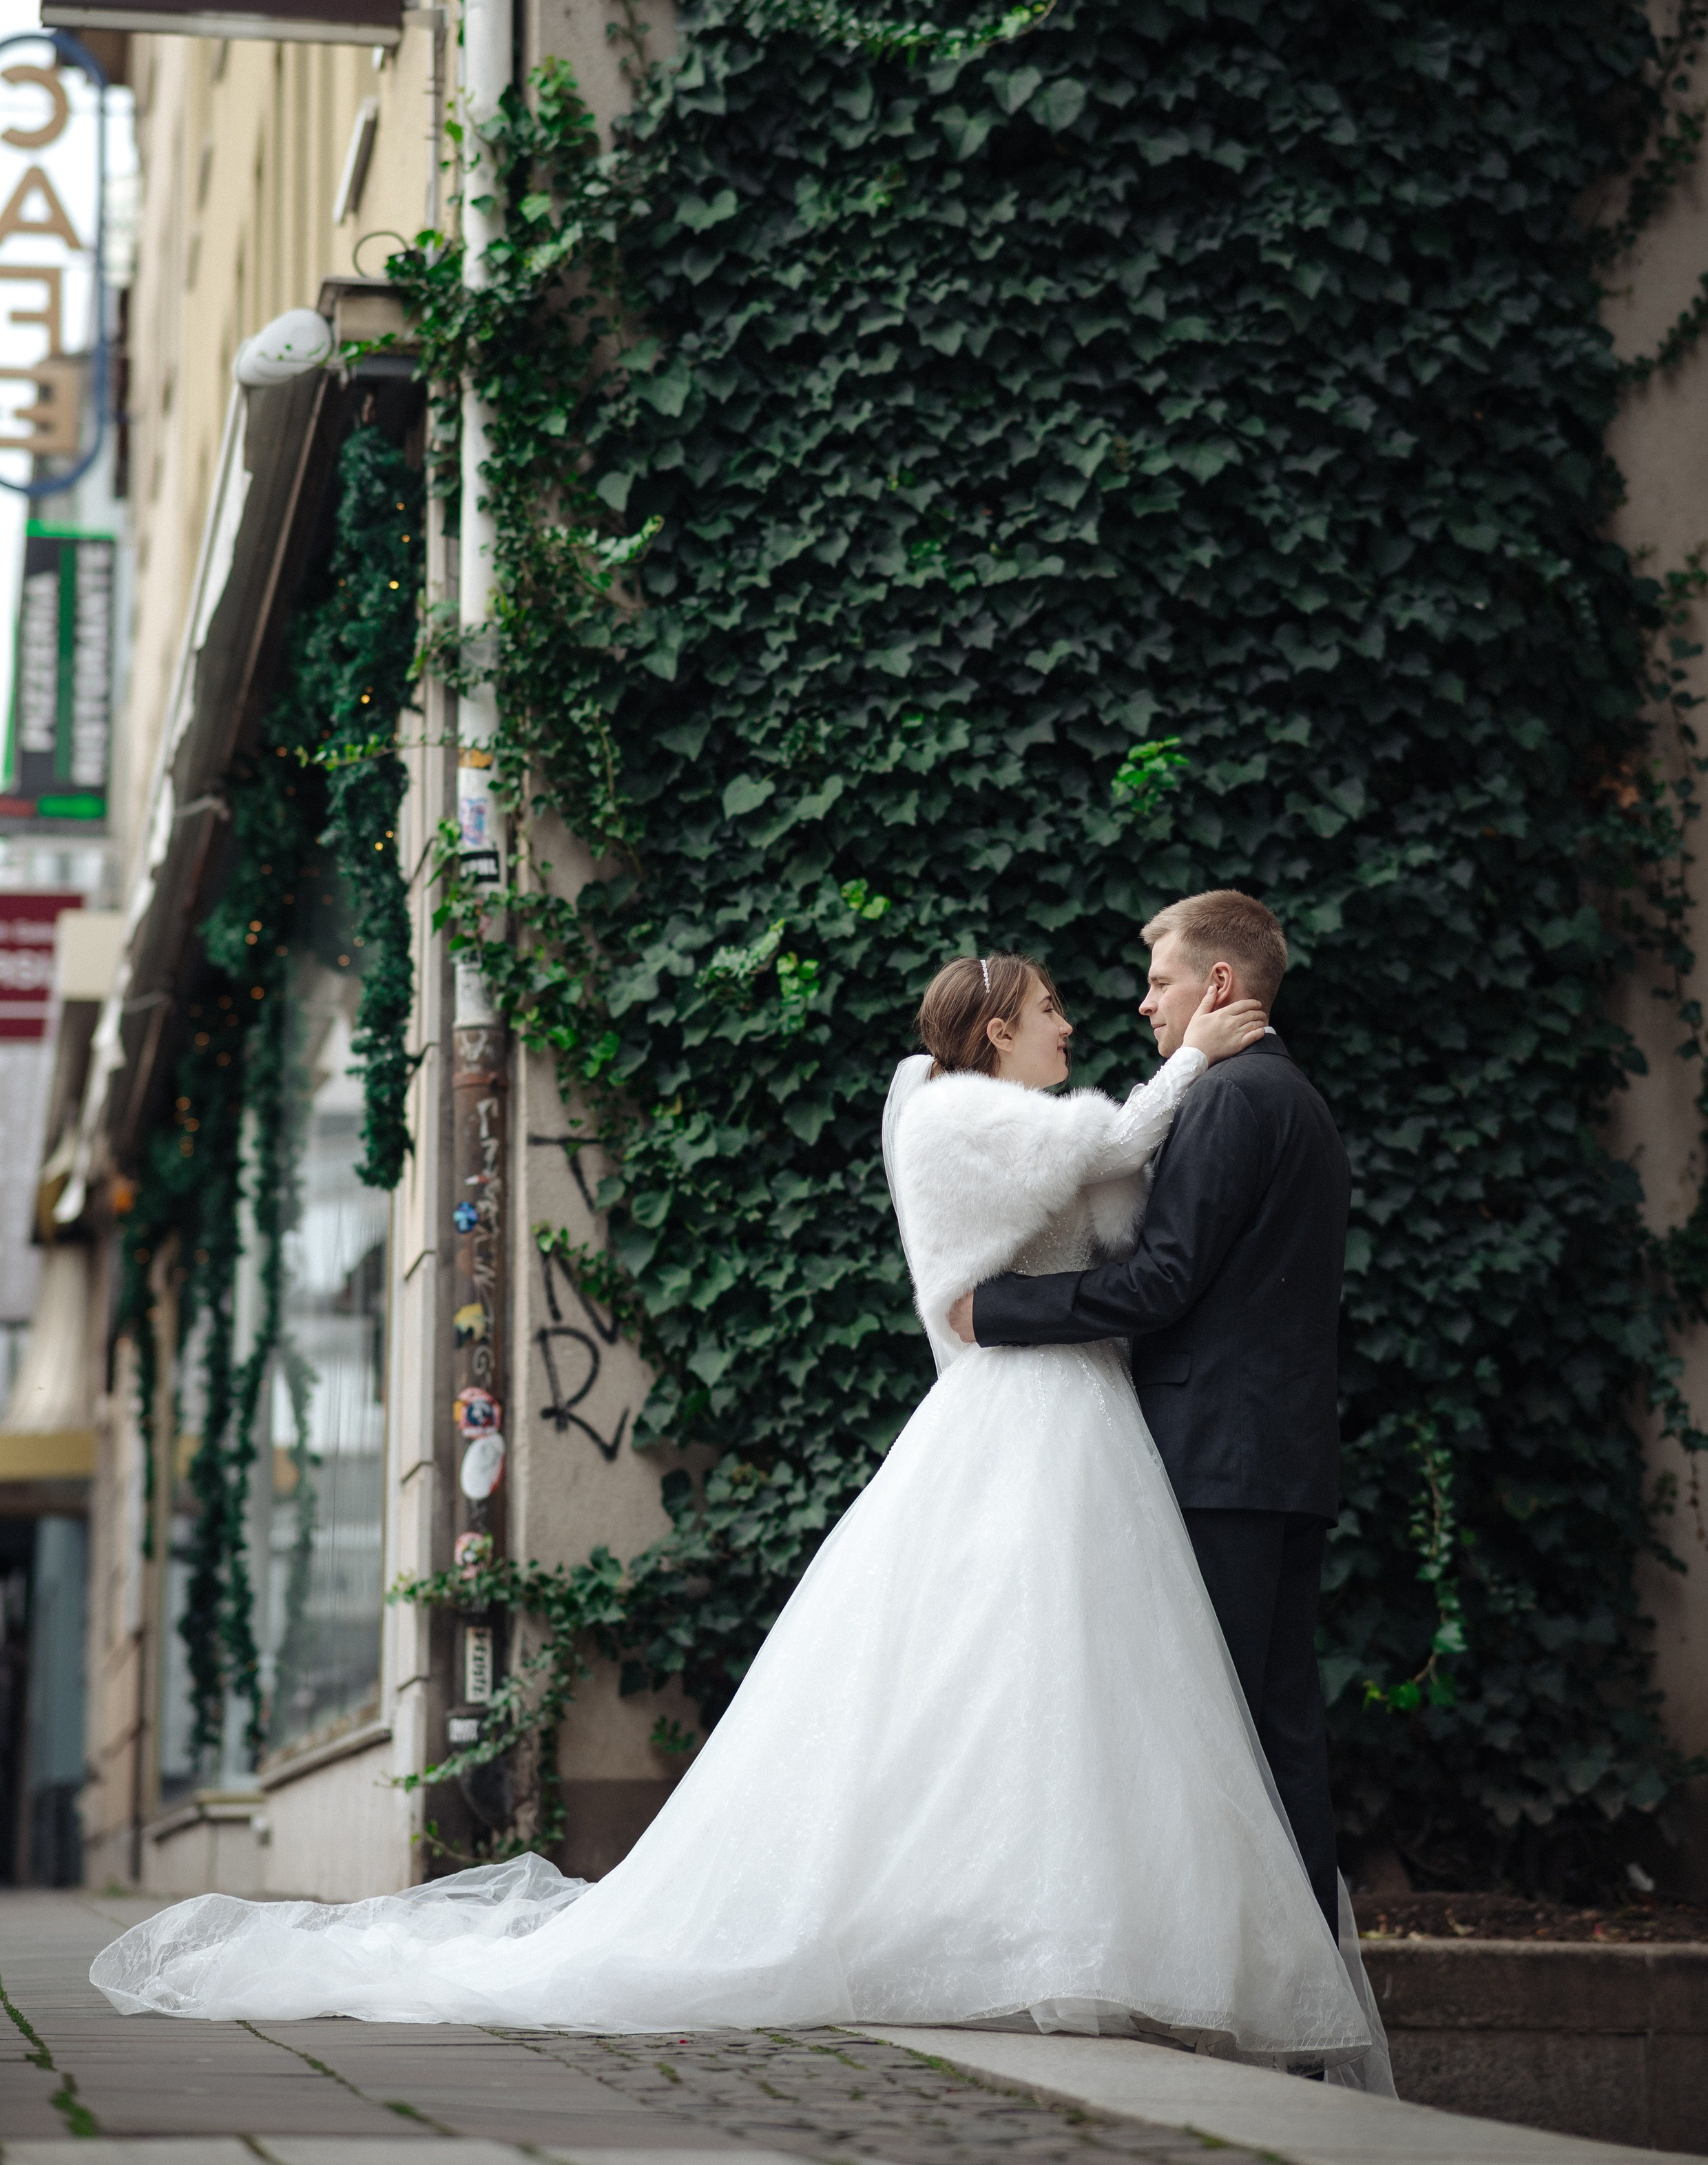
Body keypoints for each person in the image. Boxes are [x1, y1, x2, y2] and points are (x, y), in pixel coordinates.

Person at [90, 948, 1389, 2092]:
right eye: (1051, 1008)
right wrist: (1192, 1059)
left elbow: (1126, 1227)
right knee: (1005, 1668)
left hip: (1090, 1422)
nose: (1079, 1020)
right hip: (1025, 1418)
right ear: (997, 1027)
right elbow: (1100, 1164)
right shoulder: (958, 1115)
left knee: (1065, 1685)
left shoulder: (1041, 1117)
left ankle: (1070, 1927)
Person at [950, 893, 1348, 1944]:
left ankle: (1234, 1973)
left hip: (1216, 1462)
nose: (1143, 1004)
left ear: (1219, 984)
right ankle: (1300, 1980)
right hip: (1281, 1461)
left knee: (1206, 1733)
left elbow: (1163, 1282)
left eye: (1161, 981)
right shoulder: (1295, 1097)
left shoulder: (1228, 1100)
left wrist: (998, 1309)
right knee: (1278, 1732)